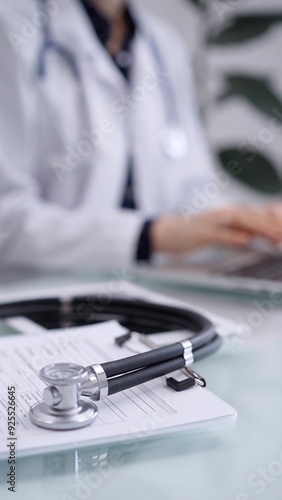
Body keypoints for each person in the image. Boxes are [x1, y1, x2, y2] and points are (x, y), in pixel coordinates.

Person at [0, 0, 282, 272]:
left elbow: (191, 188)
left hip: (147, 287)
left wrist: (249, 223)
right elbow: (7, 219)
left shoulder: (163, 43)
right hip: (37, 295)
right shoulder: (12, 26)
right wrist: (149, 236)